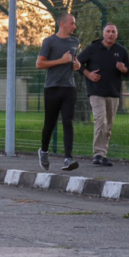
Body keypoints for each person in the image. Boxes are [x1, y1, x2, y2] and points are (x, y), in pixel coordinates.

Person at [76, 23, 129, 167]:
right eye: (108, 31)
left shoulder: (121, 51)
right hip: (96, 91)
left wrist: (124, 69)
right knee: (101, 120)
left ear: (117, 34)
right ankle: (97, 154)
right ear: (103, 33)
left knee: (108, 125)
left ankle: (103, 154)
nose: (111, 34)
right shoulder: (92, 48)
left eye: (113, 32)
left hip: (113, 93)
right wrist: (88, 74)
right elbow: (76, 63)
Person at [36, 13, 81, 171]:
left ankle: (68, 159)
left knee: (68, 122)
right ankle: (44, 151)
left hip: (69, 87)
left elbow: (76, 63)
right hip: (52, 88)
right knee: (50, 123)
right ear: (63, 24)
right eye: (72, 23)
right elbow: (39, 64)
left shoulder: (75, 41)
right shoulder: (49, 42)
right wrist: (61, 61)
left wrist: (76, 65)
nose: (74, 27)